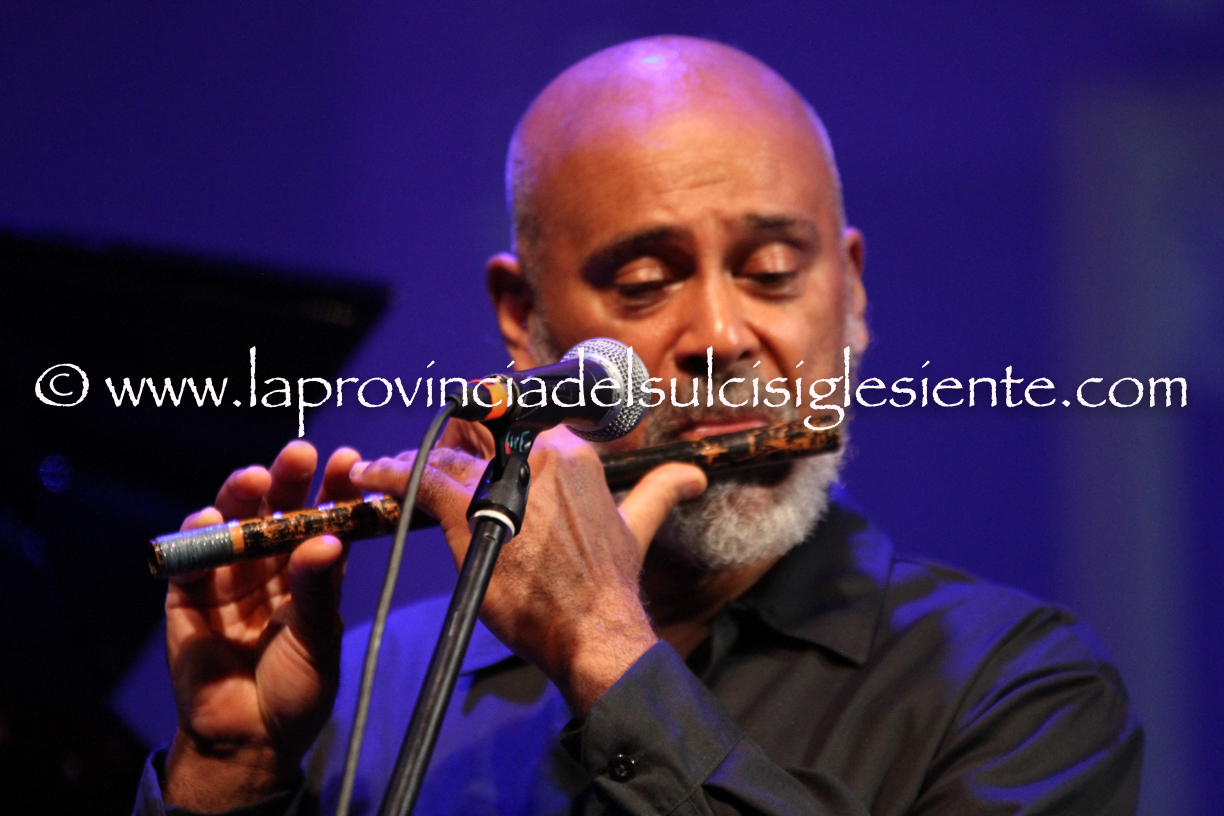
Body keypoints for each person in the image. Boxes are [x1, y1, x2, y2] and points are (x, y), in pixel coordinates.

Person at [133, 36, 1142, 815]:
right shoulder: (360, 693)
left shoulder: (1021, 690)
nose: (721, 337)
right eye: (647, 281)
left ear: (852, 291)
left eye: (772, 273)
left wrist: (605, 649)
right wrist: (229, 775)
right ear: (522, 318)